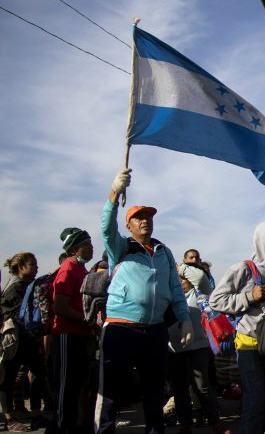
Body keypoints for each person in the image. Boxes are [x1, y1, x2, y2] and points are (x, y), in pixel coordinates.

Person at [96, 168, 193, 434]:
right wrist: (114, 192)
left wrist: (185, 320)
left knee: (154, 391)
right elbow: (106, 227)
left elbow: (175, 288)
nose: (145, 221)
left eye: (148, 217)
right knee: (111, 391)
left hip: (155, 331)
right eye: (138, 218)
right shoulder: (121, 248)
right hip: (120, 329)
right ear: (129, 225)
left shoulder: (164, 252)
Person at [209, 221, 265, 434]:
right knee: (254, 402)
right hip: (248, 347)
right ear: (261, 240)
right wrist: (249, 297)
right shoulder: (243, 268)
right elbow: (215, 300)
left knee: (264, 404)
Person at [169, 249, 229, 434]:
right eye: (178, 279)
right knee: (179, 389)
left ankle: (215, 422)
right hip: (174, 349)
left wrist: (181, 267)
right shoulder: (170, 296)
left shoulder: (200, 295)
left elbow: (201, 279)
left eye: (183, 278)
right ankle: (185, 425)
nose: (181, 282)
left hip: (198, 347)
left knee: (202, 386)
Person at [51, 227, 95, 434]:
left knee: (78, 384)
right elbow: (59, 306)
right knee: (66, 385)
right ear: (74, 249)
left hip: (81, 334)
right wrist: (85, 319)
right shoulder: (67, 269)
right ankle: (61, 427)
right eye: (86, 244)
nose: (91, 247)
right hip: (67, 334)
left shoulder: (82, 270)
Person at [1, 252, 47, 432]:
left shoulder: (29, 286)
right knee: (8, 378)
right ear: (21, 267)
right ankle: (9, 418)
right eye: (32, 264)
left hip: (29, 338)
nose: (36, 267)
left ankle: (36, 414)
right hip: (15, 340)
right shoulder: (14, 288)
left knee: (39, 373)